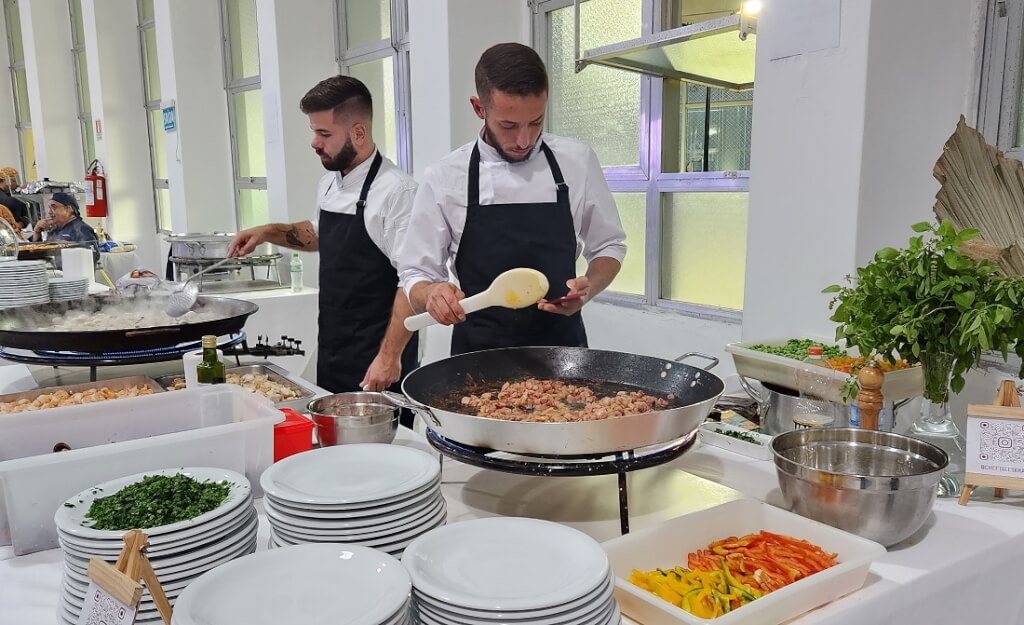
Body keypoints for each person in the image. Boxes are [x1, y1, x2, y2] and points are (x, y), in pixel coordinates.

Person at [400, 42, 627, 355]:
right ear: (479, 108)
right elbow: (416, 274)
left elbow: (609, 245)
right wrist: (432, 294)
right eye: (508, 125)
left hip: (564, 356)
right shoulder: (444, 177)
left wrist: (588, 288)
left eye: (536, 122)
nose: (524, 140)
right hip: (474, 361)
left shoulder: (576, 161)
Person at [228, 75, 419, 409]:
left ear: (358, 132)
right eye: (314, 131)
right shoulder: (330, 182)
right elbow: (320, 234)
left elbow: (413, 282)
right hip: (333, 348)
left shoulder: (397, 192)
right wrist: (266, 232)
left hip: (378, 359)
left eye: (324, 134)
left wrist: (389, 358)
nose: (314, 143)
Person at [29, 192, 99, 261]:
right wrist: (37, 232)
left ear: (68, 209)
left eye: (54, 207)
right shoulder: (55, 230)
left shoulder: (82, 230)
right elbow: (38, 253)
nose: (50, 212)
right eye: (49, 208)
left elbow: (92, 257)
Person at [0, 167, 28, 238]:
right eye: (14, 181)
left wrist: (21, 224)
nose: (17, 185)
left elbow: (25, 217)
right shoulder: (10, 200)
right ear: (5, 180)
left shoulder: (12, 196)